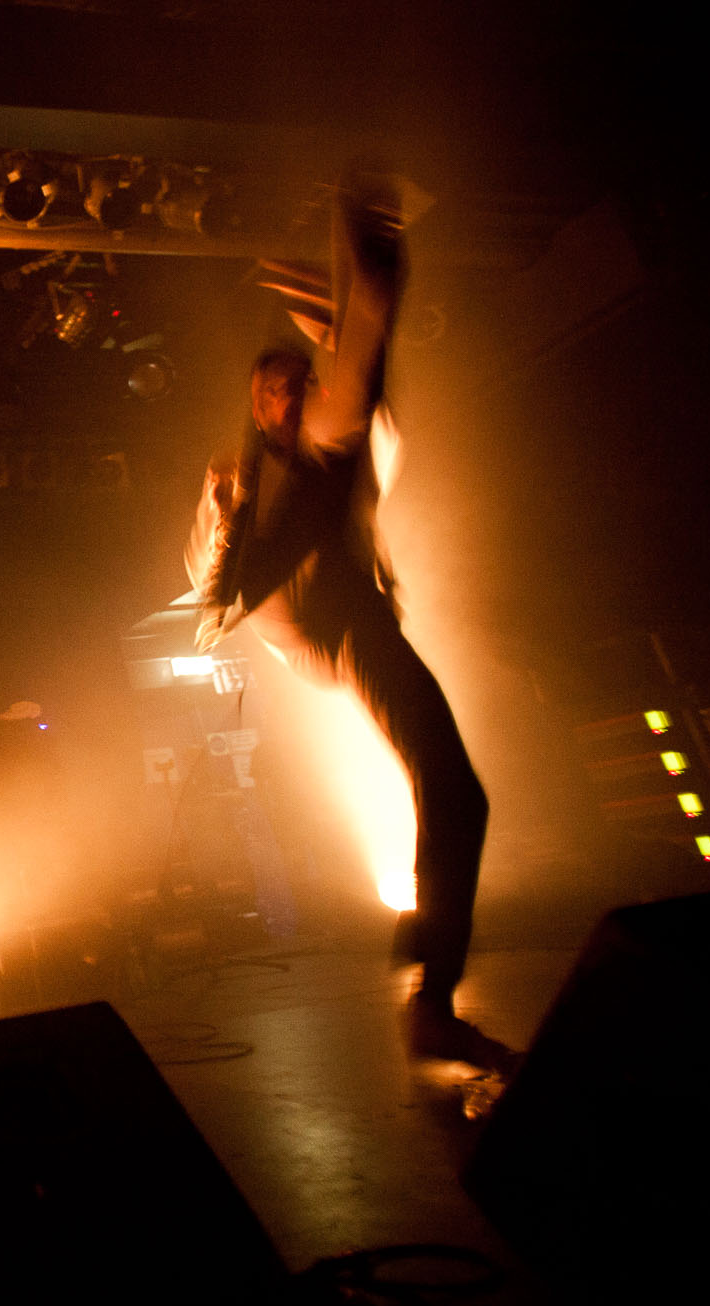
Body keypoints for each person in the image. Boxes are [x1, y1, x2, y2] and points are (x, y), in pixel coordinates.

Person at [184, 175, 517, 1074]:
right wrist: (228, 520)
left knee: (458, 793)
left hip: (349, 613)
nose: (291, 392)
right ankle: (432, 985)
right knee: (356, 378)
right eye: (275, 388)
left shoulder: (338, 443)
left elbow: (371, 410)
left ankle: (431, 985)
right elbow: (212, 591)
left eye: (298, 380)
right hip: (322, 620)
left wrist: (342, 316)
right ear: (259, 407)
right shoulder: (259, 475)